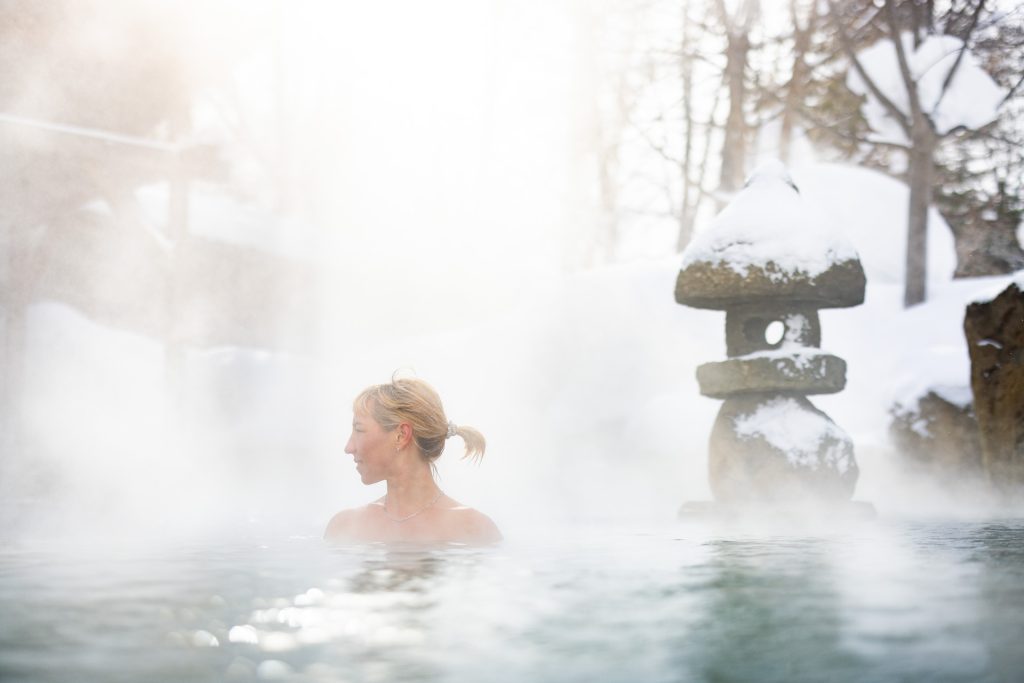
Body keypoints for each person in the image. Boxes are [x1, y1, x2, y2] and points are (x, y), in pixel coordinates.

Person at [324, 376, 502, 544]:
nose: (348, 447)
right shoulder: (344, 528)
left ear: (401, 435)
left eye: (359, 430)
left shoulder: (474, 530)